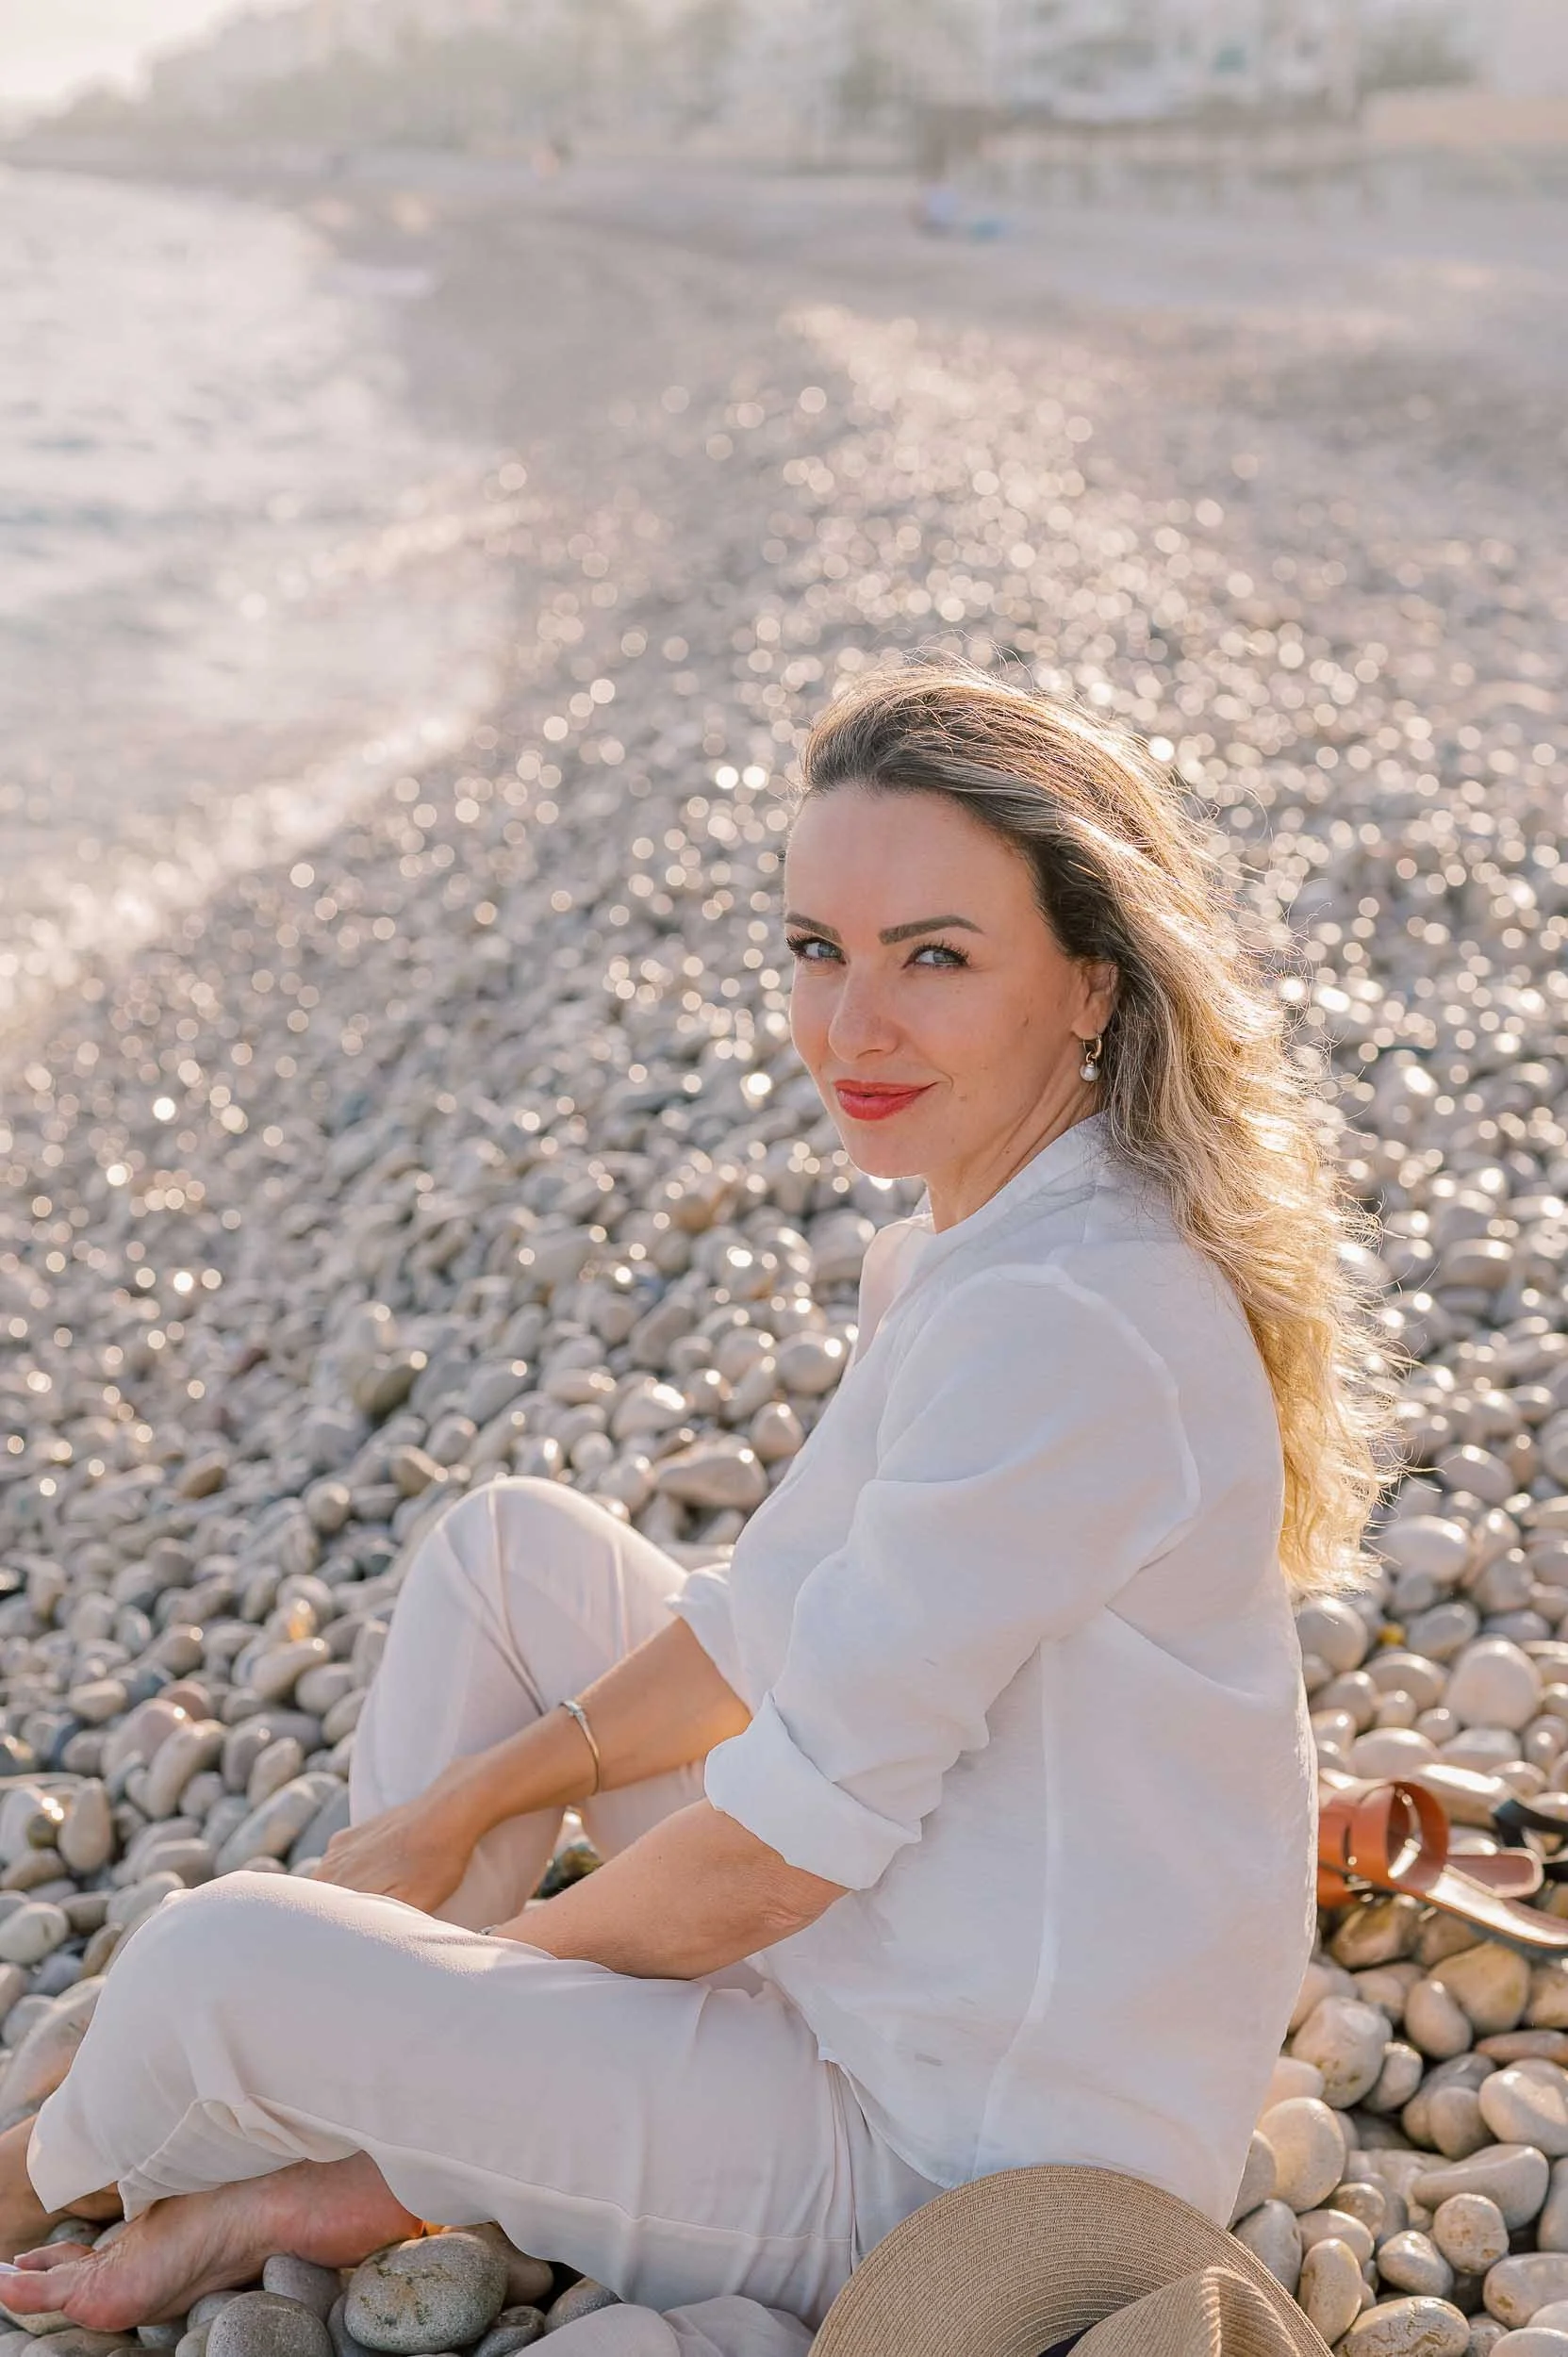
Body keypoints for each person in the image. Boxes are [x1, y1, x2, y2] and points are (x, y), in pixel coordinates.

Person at [0, 665, 1386, 2336]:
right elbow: (756, 1632)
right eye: (816, 949)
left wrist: (448, 2002)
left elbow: (773, 1869)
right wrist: (456, 1822)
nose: (849, 1029)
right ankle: (412, 2144)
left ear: (1090, 981)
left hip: (951, 2154)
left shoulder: (1064, 1320)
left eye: (933, 958)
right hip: (907, 1967)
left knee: (218, 1963)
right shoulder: (1010, 1231)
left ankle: (89, 2171)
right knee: (507, 1554)